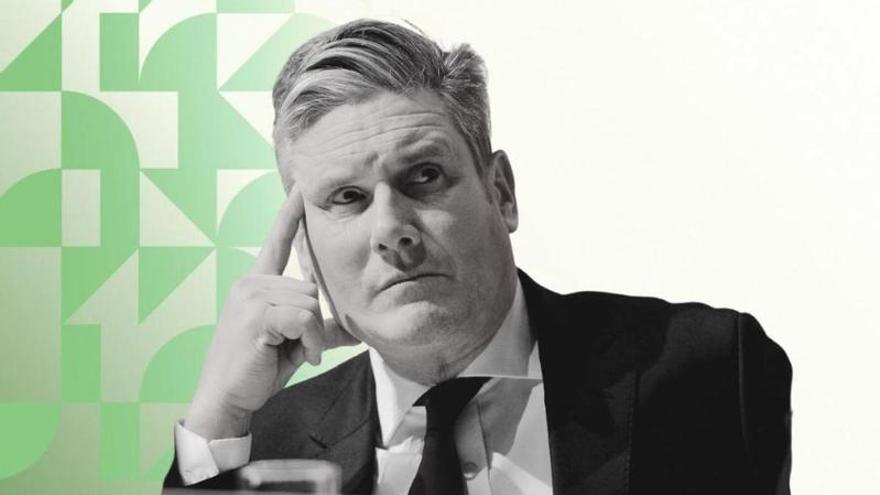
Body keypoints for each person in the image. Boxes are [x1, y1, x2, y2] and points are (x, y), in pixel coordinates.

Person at [162, 19, 792, 495]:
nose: (391, 229)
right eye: (348, 198)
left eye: (424, 176)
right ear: (305, 249)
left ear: (501, 193)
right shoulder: (263, 446)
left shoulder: (705, 370)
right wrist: (219, 416)